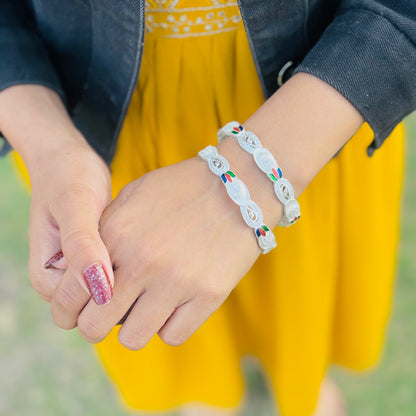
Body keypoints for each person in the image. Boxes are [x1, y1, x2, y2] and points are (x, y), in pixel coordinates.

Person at [0, 1, 415, 415]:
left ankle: (306, 377)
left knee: (305, 288)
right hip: (102, 123)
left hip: (316, 102)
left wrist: (246, 181)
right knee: (162, 310)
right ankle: (207, 393)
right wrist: (49, 144)